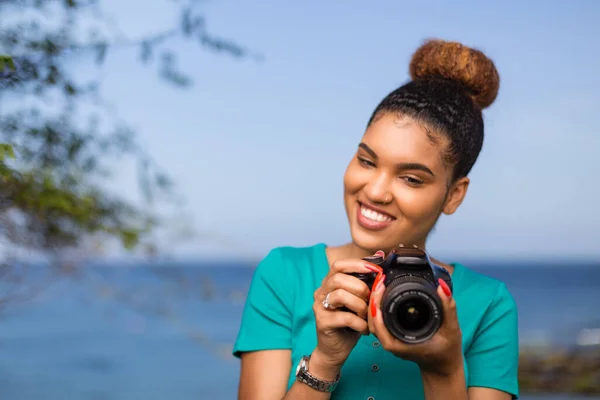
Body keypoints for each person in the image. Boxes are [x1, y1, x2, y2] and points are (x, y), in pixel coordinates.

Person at [233, 39, 519, 400]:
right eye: (367, 161)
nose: (376, 191)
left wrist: (443, 369)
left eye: (411, 179)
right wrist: (324, 360)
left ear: (453, 195)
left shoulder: (488, 303)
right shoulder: (284, 275)